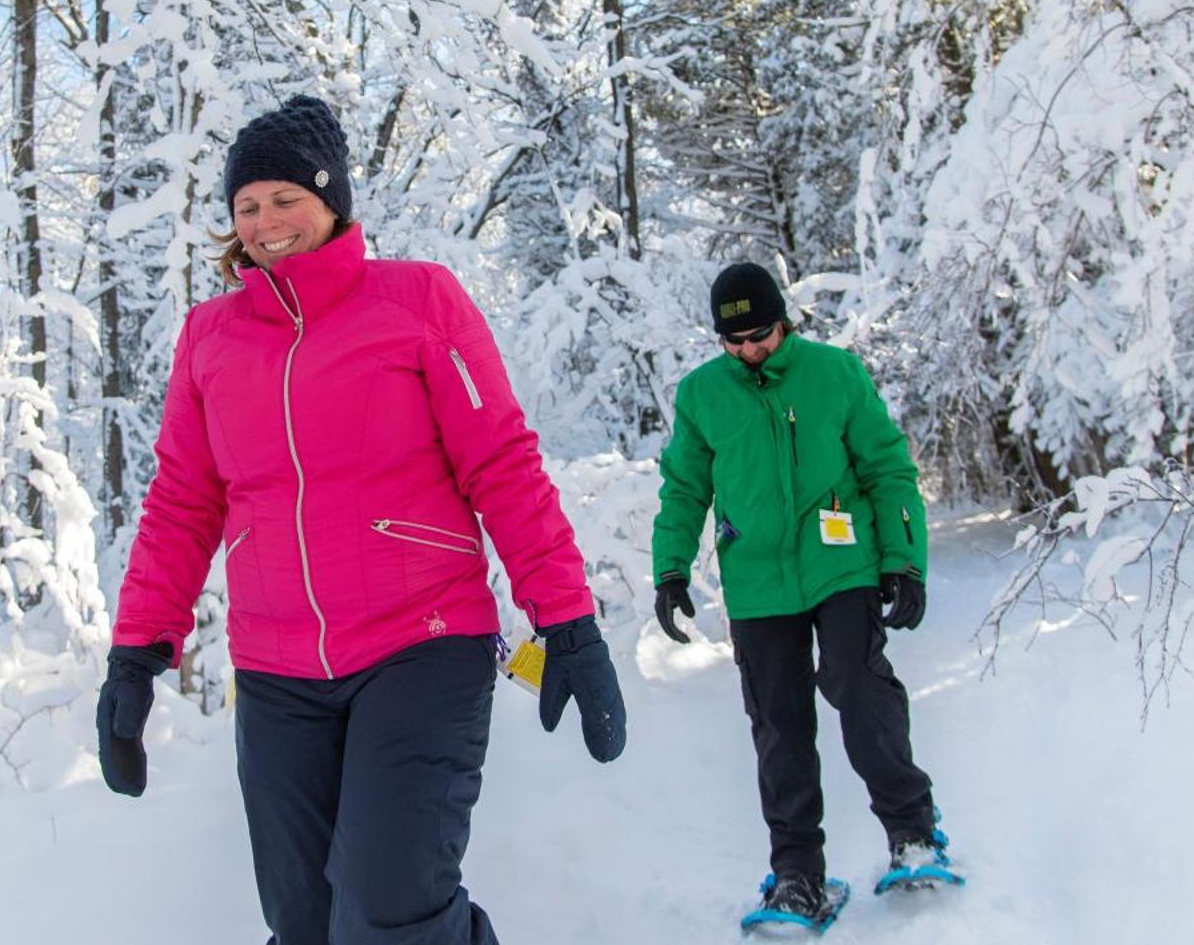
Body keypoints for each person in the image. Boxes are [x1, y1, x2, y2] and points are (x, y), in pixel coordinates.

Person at [97, 94, 625, 945]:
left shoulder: (418, 301)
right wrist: (135, 655)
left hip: (423, 642)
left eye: (284, 200)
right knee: (304, 923)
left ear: (332, 199)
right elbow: (181, 505)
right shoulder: (210, 337)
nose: (265, 222)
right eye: (246, 206)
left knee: (389, 907)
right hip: (277, 668)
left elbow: (503, 463)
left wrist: (567, 624)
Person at [651, 260, 951, 922]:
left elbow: (888, 468)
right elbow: (684, 486)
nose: (749, 351)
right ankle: (798, 876)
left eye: (760, 335)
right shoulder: (703, 395)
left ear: (783, 321)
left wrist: (905, 561)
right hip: (757, 580)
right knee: (778, 724)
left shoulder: (833, 373)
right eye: (734, 342)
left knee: (855, 679)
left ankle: (912, 830)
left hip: (840, 561)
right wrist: (670, 568)